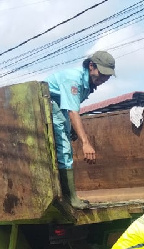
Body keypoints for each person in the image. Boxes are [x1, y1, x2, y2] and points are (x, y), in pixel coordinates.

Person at [44, 51, 115, 208]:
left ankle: (67, 195)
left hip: (59, 107)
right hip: (46, 105)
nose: (104, 79)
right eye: (102, 73)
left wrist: (73, 128)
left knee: (65, 144)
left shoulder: (88, 83)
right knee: (64, 148)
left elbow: (70, 107)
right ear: (91, 66)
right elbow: (72, 111)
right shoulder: (73, 79)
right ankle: (70, 198)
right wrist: (85, 143)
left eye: (108, 76)